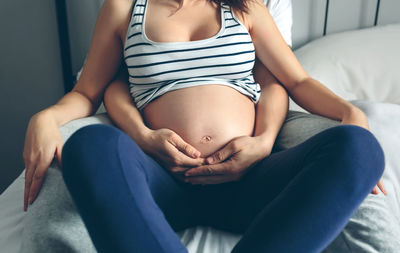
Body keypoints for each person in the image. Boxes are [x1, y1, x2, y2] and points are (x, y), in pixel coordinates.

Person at [22, 0, 387, 252]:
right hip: (164, 183)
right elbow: (88, 92)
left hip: (250, 180)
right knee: (89, 144)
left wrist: (349, 114)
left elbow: (297, 82)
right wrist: (47, 117)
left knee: (359, 148)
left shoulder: (246, 8)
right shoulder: (124, 8)